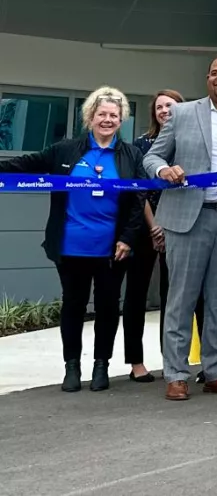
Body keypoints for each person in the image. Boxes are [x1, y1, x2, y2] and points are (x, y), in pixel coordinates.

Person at [0, 86, 144, 393]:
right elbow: (23, 164)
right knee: (73, 306)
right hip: (71, 245)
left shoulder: (131, 155)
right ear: (90, 116)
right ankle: (72, 367)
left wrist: (128, 238)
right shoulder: (65, 150)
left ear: (121, 120)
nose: (107, 120)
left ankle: (101, 365)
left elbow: (138, 200)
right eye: (102, 114)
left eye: (114, 115)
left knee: (108, 307)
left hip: (112, 248)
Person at [145, 56, 217, 401]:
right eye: (215, 73)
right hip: (188, 217)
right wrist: (163, 170)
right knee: (181, 299)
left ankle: (216, 371)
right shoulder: (182, 113)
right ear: (208, 78)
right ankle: (176, 374)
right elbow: (152, 156)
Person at [123, 88, 183, 381]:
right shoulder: (140, 144)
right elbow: (139, 191)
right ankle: (136, 362)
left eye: (169, 105)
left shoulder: (188, 141)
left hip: (180, 226)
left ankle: (171, 360)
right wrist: (155, 226)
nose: (164, 111)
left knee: (174, 296)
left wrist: (168, 225)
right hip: (145, 225)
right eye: (159, 107)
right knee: (136, 293)